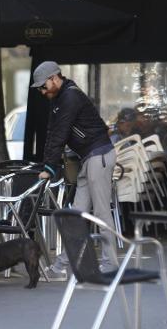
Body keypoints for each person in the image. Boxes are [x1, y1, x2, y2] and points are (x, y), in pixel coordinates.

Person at [32, 61, 117, 280]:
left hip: (98, 156)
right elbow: (52, 134)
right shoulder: (59, 99)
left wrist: (49, 168)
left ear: (54, 78)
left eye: (43, 86)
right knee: (76, 215)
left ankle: (111, 264)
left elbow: (59, 134)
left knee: (101, 213)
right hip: (89, 158)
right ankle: (62, 266)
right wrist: (47, 165)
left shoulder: (70, 97)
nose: (42, 91)